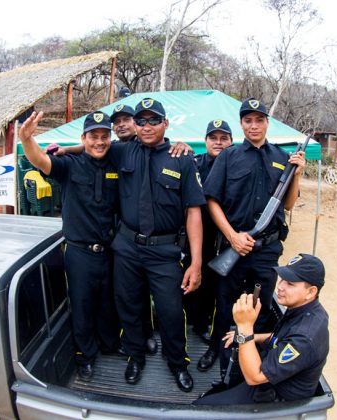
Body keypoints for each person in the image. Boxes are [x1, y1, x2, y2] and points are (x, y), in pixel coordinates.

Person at [198, 98, 306, 377]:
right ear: (242, 123)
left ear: (267, 123)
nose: (254, 125)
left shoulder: (283, 158)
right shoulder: (228, 156)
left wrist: (298, 175)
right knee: (224, 306)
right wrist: (232, 237)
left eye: (259, 120)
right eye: (248, 120)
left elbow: (290, 204)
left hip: (266, 250)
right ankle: (215, 349)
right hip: (234, 246)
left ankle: (250, 360)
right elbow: (211, 201)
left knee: (260, 307)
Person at [108, 98, 205, 392]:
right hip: (127, 246)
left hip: (164, 252)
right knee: (130, 307)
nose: (147, 126)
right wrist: (58, 150)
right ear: (135, 125)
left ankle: (177, 362)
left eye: (154, 121)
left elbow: (193, 212)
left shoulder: (182, 158)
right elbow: (91, 147)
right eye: (141, 121)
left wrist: (196, 263)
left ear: (166, 123)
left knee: (171, 311)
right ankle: (135, 356)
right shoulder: (122, 151)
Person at [19, 110, 120, 381]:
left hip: (109, 251)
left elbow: (137, 143)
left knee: (108, 303)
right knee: (83, 306)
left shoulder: (115, 162)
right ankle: (85, 357)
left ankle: (110, 345)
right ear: (83, 138)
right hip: (79, 253)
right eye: (93, 137)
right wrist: (27, 139)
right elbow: (39, 159)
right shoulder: (69, 165)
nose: (99, 142)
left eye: (104, 136)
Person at [194, 253, 329, 404]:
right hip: (270, 376)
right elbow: (279, 338)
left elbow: (255, 377)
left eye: (290, 284)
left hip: (275, 396)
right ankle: (228, 386)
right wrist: (252, 336)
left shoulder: (305, 337)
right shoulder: (303, 309)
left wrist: (245, 327)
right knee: (230, 343)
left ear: (310, 292)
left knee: (200, 407)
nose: (280, 286)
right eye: (283, 279)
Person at [110, 103, 159, 356]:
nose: (121, 125)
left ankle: (147, 333)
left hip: (146, 236)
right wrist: (65, 148)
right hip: (116, 236)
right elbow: (88, 146)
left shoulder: (158, 149)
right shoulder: (114, 150)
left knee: (143, 292)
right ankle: (130, 339)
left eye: (126, 119)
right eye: (116, 121)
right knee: (123, 294)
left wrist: (179, 144)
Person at [183, 120, 233, 350]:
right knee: (189, 278)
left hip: (223, 236)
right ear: (206, 141)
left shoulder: (236, 163)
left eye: (224, 138)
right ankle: (186, 321)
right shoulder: (194, 162)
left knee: (214, 285)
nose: (218, 143)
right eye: (214, 138)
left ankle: (204, 325)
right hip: (194, 233)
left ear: (231, 141)